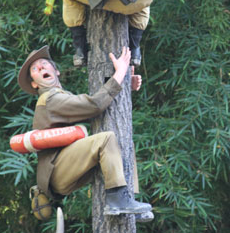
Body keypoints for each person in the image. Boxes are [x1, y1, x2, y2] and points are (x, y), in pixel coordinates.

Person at [17, 45, 152, 217]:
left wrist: (125, 87)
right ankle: (117, 200)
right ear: (34, 83)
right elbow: (95, 105)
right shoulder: (50, 100)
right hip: (57, 171)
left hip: (66, 168)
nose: (41, 67)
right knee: (105, 139)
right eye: (35, 69)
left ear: (56, 71)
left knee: (123, 142)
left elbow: (99, 112)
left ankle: (128, 201)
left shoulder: (62, 96)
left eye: (44, 63)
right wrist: (119, 74)